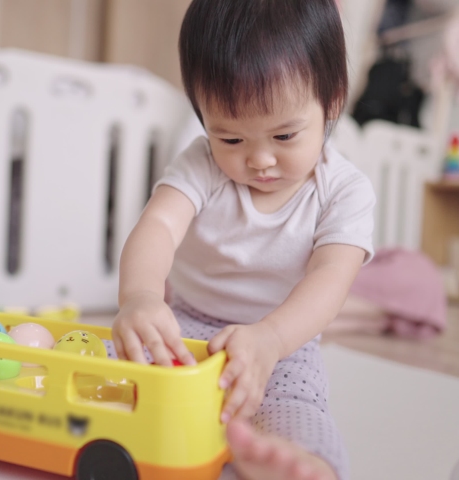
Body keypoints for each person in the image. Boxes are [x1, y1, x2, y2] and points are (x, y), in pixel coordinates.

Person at [111, 1, 374, 479]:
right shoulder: (201, 164)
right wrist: (140, 298)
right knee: (114, 359)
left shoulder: (345, 191)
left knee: (295, 405)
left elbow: (331, 277)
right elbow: (159, 226)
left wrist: (271, 339)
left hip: (283, 341)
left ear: (332, 101)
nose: (260, 161)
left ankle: (297, 464)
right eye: (230, 139)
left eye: (285, 136)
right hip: (188, 324)